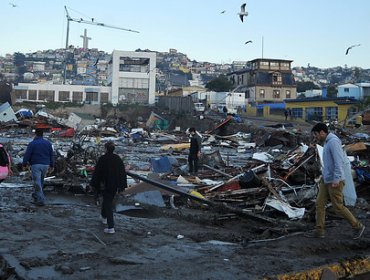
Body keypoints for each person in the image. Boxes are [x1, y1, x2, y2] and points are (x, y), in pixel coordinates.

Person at [307, 123, 365, 239]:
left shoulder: (333, 142)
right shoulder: (327, 142)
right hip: (326, 179)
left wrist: (336, 179)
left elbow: (339, 162)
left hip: (334, 180)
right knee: (319, 204)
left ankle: (358, 226)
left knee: (338, 206)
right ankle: (319, 231)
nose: (316, 137)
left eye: (316, 134)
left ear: (322, 132)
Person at [90, 141, 127, 234]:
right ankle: (103, 217)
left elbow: (97, 172)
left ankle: (111, 227)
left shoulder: (103, 158)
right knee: (107, 201)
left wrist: (94, 184)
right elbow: (122, 173)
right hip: (114, 185)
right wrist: (122, 186)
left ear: (105, 149)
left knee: (107, 203)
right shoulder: (118, 159)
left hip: (105, 185)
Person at [23, 128, 54, 206]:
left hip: (36, 165)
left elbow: (27, 154)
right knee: (41, 181)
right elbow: (51, 155)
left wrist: (24, 164)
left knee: (37, 182)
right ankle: (37, 195)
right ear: (43, 134)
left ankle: (41, 200)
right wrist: (52, 165)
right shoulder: (48, 143)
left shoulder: (32, 143)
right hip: (46, 165)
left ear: (35, 134)